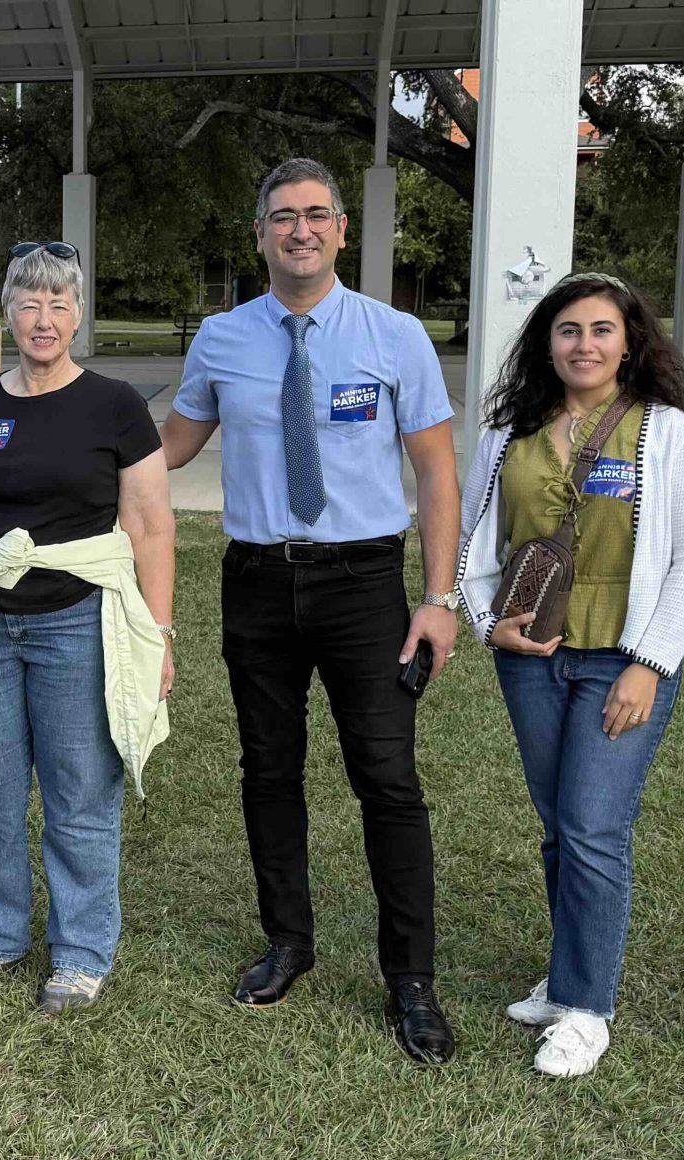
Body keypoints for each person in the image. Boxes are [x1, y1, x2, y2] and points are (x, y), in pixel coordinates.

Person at [160, 157, 464, 1062]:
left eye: (316, 215)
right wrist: (63, 418)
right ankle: (288, 942)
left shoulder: (395, 335)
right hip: (255, 580)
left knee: (387, 778)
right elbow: (170, 446)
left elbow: (437, 473)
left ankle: (411, 978)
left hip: (364, 584)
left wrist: (439, 598)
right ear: (259, 235)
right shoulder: (220, 338)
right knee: (268, 770)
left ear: (341, 231)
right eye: (282, 216)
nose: (299, 230)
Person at [455, 272, 684, 1078]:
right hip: (532, 658)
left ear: (630, 342)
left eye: (602, 330)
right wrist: (484, 622)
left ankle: (587, 1009)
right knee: (558, 824)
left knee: (595, 827)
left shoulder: (666, 432)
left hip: (622, 658)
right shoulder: (509, 432)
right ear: (548, 343)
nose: (585, 345)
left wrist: (649, 664)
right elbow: (476, 543)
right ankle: (570, 975)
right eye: (569, 330)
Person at [0, 240, 176, 1014]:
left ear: (79, 314)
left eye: (59, 303)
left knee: (80, 791)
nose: (43, 318)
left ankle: (82, 951)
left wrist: (158, 635)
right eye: (29, 302)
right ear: (7, 314)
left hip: (77, 622)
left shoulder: (115, 405)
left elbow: (151, 525)